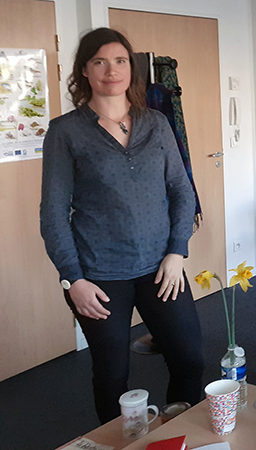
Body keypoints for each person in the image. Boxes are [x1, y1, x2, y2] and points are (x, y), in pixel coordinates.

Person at [40, 28, 204, 423]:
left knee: (190, 360)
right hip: (98, 277)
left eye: (119, 61)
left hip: (161, 269)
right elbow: (53, 213)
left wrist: (177, 250)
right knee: (113, 375)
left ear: (131, 69)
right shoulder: (66, 132)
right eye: (99, 61)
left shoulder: (156, 123)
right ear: (84, 71)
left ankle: (174, 434)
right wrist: (72, 280)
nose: (110, 70)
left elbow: (182, 191)